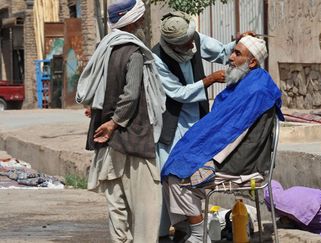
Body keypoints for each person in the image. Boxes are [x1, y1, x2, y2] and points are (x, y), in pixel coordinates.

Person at [161, 35, 283, 242]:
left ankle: (199, 234)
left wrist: (206, 157)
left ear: (252, 62)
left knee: (178, 176)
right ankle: (188, 229)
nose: (230, 57)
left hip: (241, 161)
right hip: (230, 152)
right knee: (172, 164)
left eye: (237, 54)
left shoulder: (256, 90)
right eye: (232, 52)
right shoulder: (244, 82)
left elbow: (234, 134)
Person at [151, 11, 251, 239]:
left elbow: (222, 52)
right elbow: (176, 93)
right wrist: (209, 80)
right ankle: (171, 231)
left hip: (199, 121)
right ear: (173, 45)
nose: (191, 45)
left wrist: (238, 42)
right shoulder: (157, 58)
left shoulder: (193, 38)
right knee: (170, 174)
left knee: (194, 174)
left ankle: (193, 227)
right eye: (185, 44)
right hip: (173, 122)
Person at [75, 0, 165, 242]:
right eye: (141, 18)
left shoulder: (104, 48)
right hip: (132, 138)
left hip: (107, 141)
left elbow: (98, 89)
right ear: (132, 21)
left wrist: (101, 115)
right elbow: (131, 94)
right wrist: (115, 122)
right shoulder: (133, 52)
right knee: (147, 206)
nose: (144, 22)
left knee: (117, 205)